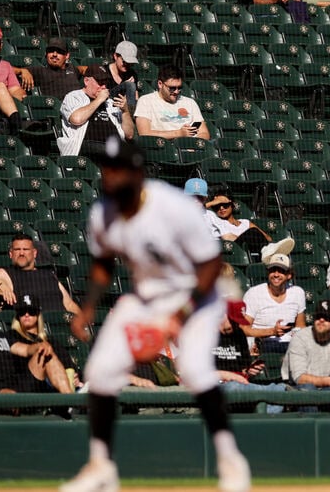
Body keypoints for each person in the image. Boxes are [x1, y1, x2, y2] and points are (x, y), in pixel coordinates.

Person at [62, 137, 250, 492]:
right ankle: (101, 466)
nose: (109, 174)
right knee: (99, 373)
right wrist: (87, 306)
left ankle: (230, 459)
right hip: (146, 297)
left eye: (117, 168)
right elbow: (103, 261)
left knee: (194, 370)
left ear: (137, 172)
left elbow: (212, 265)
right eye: (106, 167)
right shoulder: (102, 212)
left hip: (195, 295)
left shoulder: (172, 206)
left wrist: (177, 316)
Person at [0, 297, 73, 395]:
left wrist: (39, 346)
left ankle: (70, 402)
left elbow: (25, 350)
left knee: (45, 353)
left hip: (16, 383)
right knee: (8, 394)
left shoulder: (3, 336)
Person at [0, 234, 81, 314]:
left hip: (63, 326)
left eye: (25, 249)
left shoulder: (49, 274)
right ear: (10, 254)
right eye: (17, 250)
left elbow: (69, 305)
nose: (21, 253)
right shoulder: (4, 275)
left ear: (34, 253)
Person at [283, 300, 330, 393]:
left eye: (327, 318)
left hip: (327, 385)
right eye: (318, 316)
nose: (321, 320)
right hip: (298, 387)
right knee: (309, 389)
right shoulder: (300, 337)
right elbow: (299, 378)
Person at [242, 239, 305, 354]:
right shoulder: (254, 293)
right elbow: (243, 329)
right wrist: (272, 331)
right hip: (261, 343)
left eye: (281, 271)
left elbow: (301, 325)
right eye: (272, 270)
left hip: (289, 345)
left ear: (289, 275)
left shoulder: (298, 293)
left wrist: (296, 334)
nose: (276, 274)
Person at [57, 65, 134, 158]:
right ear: (86, 81)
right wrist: (99, 100)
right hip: (86, 152)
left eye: (105, 82)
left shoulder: (110, 102)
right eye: (100, 82)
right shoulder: (74, 96)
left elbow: (129, 135)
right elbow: (76, 119)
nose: (104, 86)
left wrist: (125, 112)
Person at [9, 293, 81, 391]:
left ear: (38, 314)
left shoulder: (50, 342)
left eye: (31, 311)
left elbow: (69, 366)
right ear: (17, 316)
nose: (26, 315)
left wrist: (75, 378)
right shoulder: (12, 337)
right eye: (22, 312)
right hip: (29, 387)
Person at [134, 64, 211, 140]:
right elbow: (144, 133)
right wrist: (179, 133)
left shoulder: (190, 103)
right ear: (160, 84)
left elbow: (204, 133)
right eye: (172, 88)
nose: (176, 92)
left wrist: (192, 145)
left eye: (179, 87)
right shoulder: (146, 101)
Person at [204, 186, 272, 247]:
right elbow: (195, 212)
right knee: (253, 232)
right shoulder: (216, 222)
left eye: (225, 205)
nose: (221, 208)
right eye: (217, 205)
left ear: (232, 205)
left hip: (254, 249)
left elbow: (268, 238)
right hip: (237, 248)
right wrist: (211, 203)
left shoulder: (245, 222)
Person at [101, 41, 139, 109]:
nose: (127, 64)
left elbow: (135, 99)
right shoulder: (104, 72)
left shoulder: (131, 74)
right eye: (124, 61)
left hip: (125, 109)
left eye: (130, 62)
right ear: (115, 56)